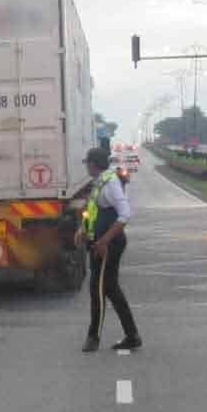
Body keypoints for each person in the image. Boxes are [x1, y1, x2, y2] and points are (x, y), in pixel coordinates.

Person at [75, 147, 141, 352]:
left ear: (93, 164)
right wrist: (82, 228)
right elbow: (92, 212)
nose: (86, 165)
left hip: (108, 245)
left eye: (87, 162)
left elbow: (124, 214)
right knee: (111, 289)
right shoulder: (99, 182)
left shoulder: (110, 182)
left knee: (97, 289)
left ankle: (93, 337)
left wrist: (104, 241)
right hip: (100, 242)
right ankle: (132, 335)